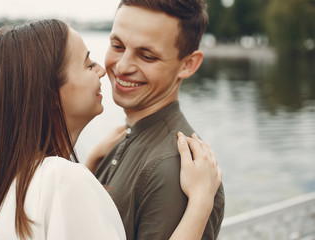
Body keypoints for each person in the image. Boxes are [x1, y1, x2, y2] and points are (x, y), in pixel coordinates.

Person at [0, 19, 222, 240]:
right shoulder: (64, 180)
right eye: (87, 64)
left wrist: (88, 164)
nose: (103, 70)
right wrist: (200, 201)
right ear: (51, 95)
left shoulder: (13, 180)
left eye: (147, 55)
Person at [94, 0, 225, 239]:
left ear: (187, 64)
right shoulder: (119, 140)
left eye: (147, 56)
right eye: (117, 45)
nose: (122, 67)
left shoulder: (173, 168)